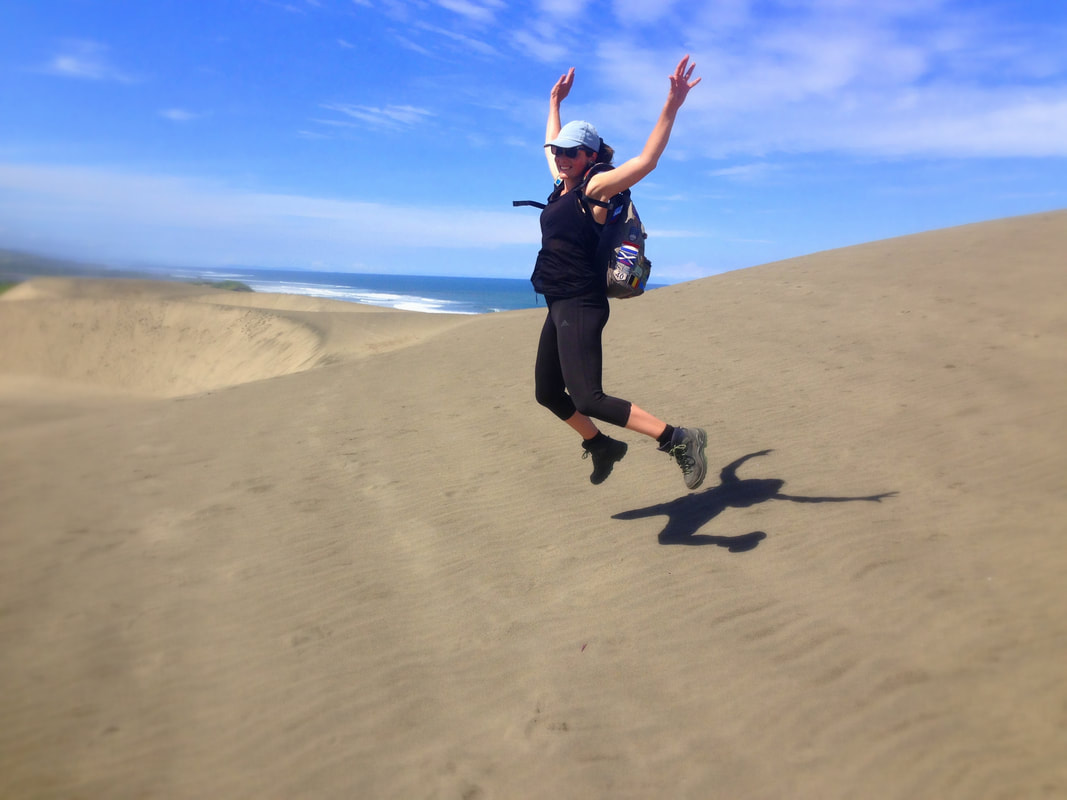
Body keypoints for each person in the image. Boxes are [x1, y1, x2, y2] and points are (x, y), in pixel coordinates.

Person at [531, 55, 708, 491]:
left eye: (572, 151)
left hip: (581, 302)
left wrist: (672, 104)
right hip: (558, 304)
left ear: (589, 154)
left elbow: (646, 161)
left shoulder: (594, 186)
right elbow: (548, 142)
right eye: (561, 152)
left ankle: (679, 439)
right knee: (548, 393)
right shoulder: (563, 185)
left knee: (588, 396)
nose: (562, 156)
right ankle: (602, 446)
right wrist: (554, 101)